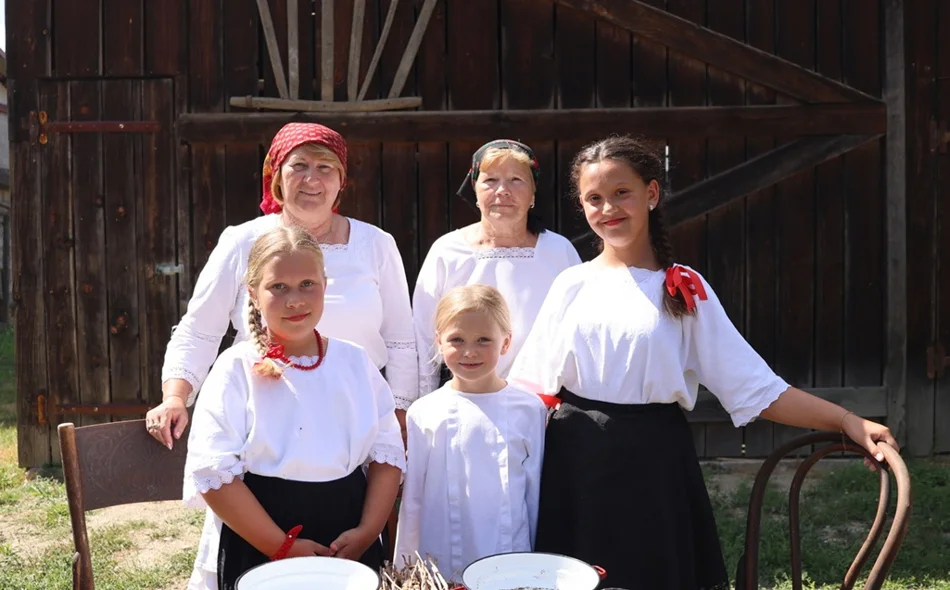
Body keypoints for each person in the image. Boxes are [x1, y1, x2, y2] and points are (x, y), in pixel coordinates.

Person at [507, 135, 900, 590]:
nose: (608, 208)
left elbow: (756, 389)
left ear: (651, 194)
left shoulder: (684, 289)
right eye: (594, 198)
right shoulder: (569, 284)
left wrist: (848, 421)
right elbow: (525, 392)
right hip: (574, 465)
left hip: (655, 466)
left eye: (621, 193)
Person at [146, 123, 416, 589]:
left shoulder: (376, 246)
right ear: (276, 176)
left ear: (341, 180)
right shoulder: (242, 243)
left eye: (324, 168)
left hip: (351, 435)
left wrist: (401, 413)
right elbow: (200, 328)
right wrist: (177, 395)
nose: (312, 179)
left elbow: (402, 341)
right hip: (265, 441)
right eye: (299, 167)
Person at [182, 225, 405, 590]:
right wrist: (280, 546)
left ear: (325, 284)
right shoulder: (235, 369)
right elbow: (213, 474)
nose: (295, 300)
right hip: (262, 538)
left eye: (307, 284)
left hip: (347, 537)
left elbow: (387, 454)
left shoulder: (355, 362)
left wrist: (368, 531)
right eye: (278, 287)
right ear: (252, 294)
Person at [395, 285, 546, 581]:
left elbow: (535, 492)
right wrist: (406, 569)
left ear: (506, 343)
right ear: (439, 342)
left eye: (483, 340)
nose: (469, 351)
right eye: (457, 340)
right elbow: (412, 500)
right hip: (439, 557)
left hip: (510, 555)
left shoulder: (529, 409)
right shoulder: (424, 412)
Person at [413, 140, 581, 397]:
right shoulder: (447, 251)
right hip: (466, 397)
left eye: (516, 179)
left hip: (546, 401)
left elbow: (578, 331)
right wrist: (421, 402)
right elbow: (423, 334)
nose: (503, 190)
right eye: (490, 180)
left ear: (533, 193)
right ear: (475, 191)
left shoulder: (559, 251)